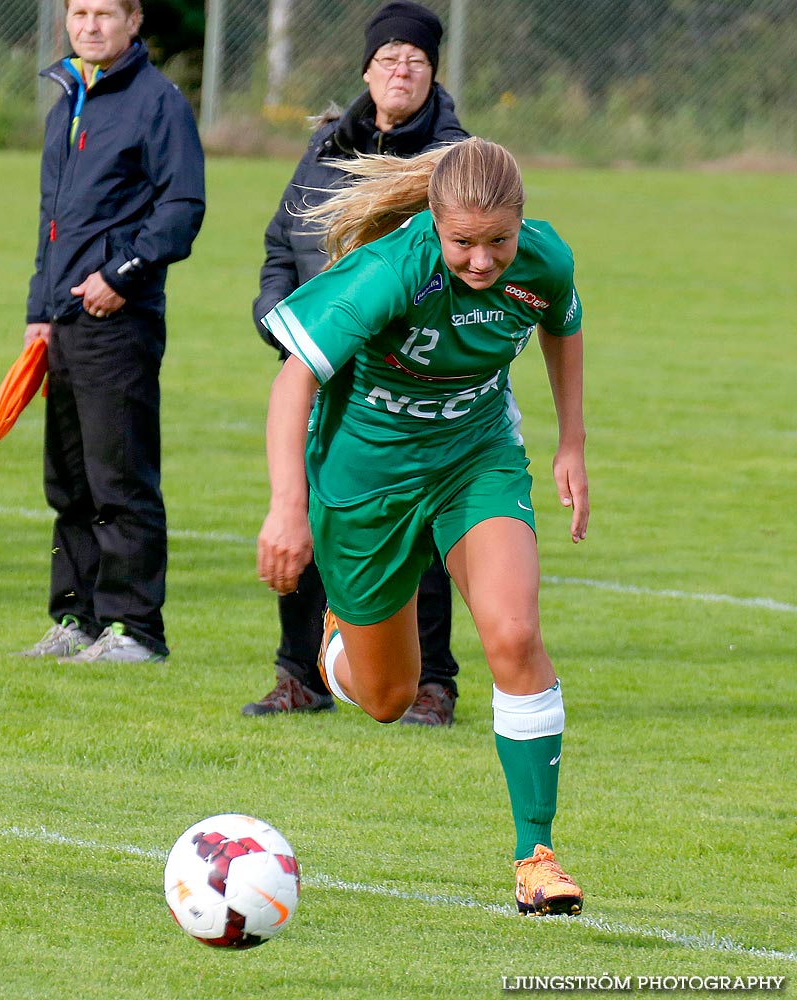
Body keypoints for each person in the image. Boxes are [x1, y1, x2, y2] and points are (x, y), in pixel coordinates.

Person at [256, 138, 587, 915]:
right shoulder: (388, 272)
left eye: (497, 241)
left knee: (512, 634)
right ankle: (341, 633)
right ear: (434, 226)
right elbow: (294, 376)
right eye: (462, 243)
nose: (481, 262)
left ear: (520, 224)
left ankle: (534, 857)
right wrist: (285, 505)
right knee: (386, 697)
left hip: (474, 460)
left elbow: (562, 327)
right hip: (363, 480)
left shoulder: (543, 263)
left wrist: (570, 440)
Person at [245, 0, 468, 723]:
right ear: (366, 70)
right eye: (387, 59)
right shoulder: (325, 148)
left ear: (432, 74)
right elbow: (284, 244)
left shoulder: (454, 160)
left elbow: (469, 266)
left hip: (405, 373)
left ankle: (430, 683)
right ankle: (299, 675)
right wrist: (283, 323)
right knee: (304, 509)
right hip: (319, 364)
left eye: (415, 61)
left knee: (419, 525)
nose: (399, 71)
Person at [17, 0, 205, 663]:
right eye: (79, 12)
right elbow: (52, 219)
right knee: (68, 481)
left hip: (116, 320)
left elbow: (182, 207)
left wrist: (122, 275)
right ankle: (78, 618)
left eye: (105, 13)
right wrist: (37, 312)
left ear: (133, 21)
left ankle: (135, 629)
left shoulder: (157, 103)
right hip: (62, 323)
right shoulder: (67, 99)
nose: (90, 25)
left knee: (119, 476)